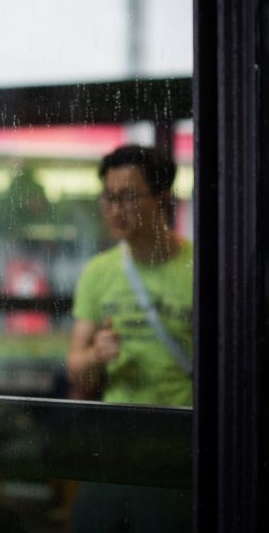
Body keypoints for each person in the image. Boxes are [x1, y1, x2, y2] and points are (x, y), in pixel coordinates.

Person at [66, 145, 193, 407]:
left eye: (128, 197)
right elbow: (76, 369)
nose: (115, 210)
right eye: (109, 197)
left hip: (187, 426)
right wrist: (96, 355)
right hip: (121, 428)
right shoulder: (98, 272)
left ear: (162, 197)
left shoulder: (198, 268)